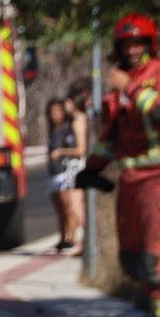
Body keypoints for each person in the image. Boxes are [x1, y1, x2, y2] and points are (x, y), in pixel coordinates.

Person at [75, 14, 160, 317]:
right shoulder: (119, 90)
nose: (131, 50)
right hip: (131, 182)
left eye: (138, 43)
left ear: (150, 44)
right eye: (126, 44)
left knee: (156, 258)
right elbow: (109, 138)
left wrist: (130, 87)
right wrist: (91, 169)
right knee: (132, 262)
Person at [46, 96, 88, 253]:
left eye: (59, 111)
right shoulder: (54, 129)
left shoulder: (73, 124)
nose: (55, 115)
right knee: (62, 209)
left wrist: (61, 152)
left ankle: (74, 238)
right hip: (54, 172)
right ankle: (64, 238)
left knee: (72, 208)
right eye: (52, 112)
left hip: (68, 171)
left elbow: (80, 150)